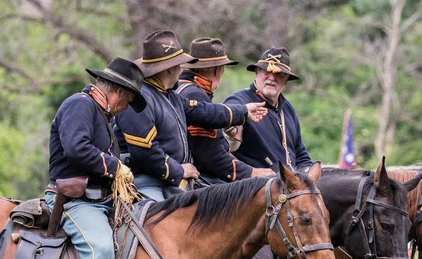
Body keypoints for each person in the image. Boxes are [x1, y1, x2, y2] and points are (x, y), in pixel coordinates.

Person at [45, 57, 145, 259]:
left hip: (100, 200)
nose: (125, 108)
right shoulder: (80, 105)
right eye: (127, 101)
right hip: (75, 201)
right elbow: (77, 148)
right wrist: (116, 166)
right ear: (115, 91)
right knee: (100, 248)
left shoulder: (103, 116)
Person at [115, 30, 267, 200]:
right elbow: (145, 154)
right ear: (170, 68)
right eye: (178, 65)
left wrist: (244, 111)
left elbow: (204, 111)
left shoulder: (169, 96)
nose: (181, 69)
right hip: (145, 181)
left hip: (170, 180)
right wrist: (178, 170)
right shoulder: (139, 100)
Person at [176, 37, 273, 183]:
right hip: (199, 176)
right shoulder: (194, 93)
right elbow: (209, 155)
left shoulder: (183, 88)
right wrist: (251, 172)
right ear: (217, 69)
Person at [224, 47, 313, 171]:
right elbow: (228, 146)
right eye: (266, 71)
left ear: (286, 80)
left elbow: (301, 155)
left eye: (279, 74)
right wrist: (231, 133)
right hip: (256, 187)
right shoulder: (237, 102)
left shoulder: (288, 109)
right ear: (256, 72)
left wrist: (311, 175)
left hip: (292, 187)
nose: (271, 78)